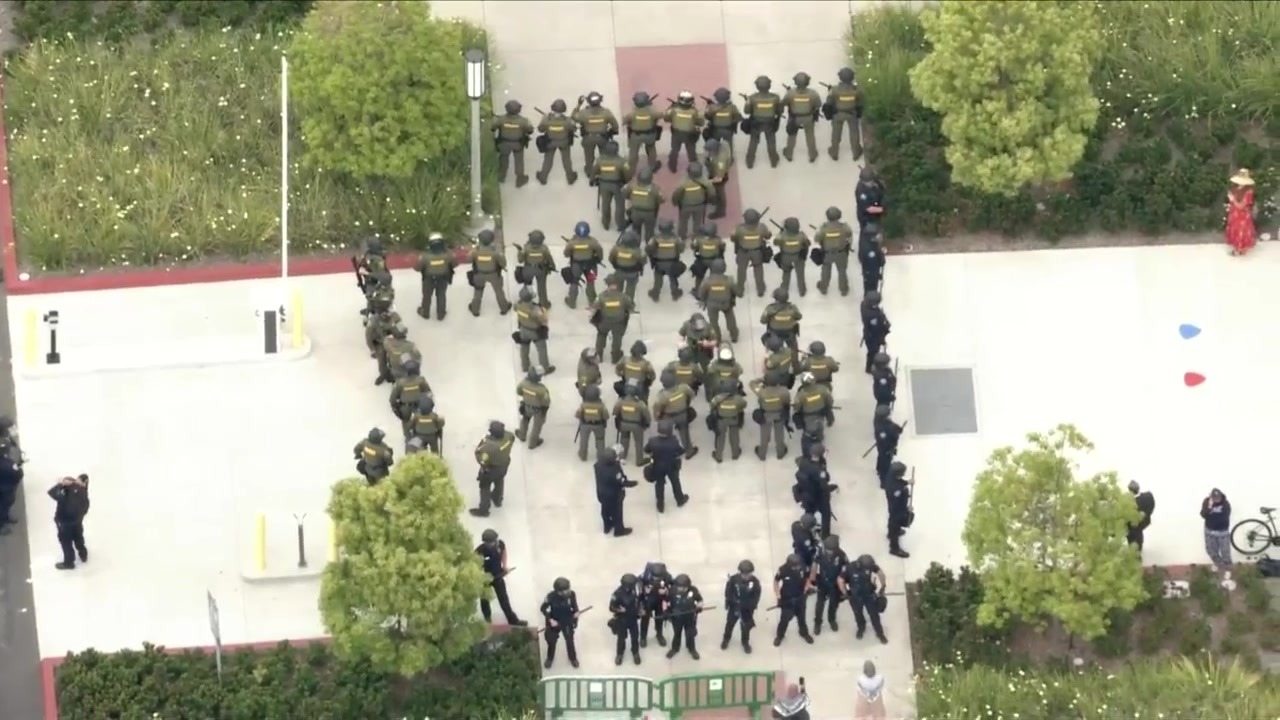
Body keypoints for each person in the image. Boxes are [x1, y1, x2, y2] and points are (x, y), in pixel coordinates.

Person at [476, 529, 528, 626]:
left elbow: (504, 552)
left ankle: (513, 620)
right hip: (484, 579)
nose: (491, 544)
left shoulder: (500, 544)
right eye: (488, 542)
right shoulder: (480, 551)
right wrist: (480, 577)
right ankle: (487, 622)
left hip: (498, 576)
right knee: (485, 601)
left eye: (493, 541)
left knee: (504, 599)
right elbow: (474, 567)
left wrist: (504, 566)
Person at [839, 554, 888, 644]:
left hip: (867, 594)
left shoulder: (868, 564)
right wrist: (845, 593)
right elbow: (840, 580)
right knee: (860, 614)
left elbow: (881, 574)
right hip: (856, 596)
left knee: (873, 615)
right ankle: (862, 628)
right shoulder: (849, 567)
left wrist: (883, 587)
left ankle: (879, 633)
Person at [470, 421, 515, 517]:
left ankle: (484, 510)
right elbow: (511, 437)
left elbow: (481, 458)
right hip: (504, 465)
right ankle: (497, 499)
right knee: (499, 480)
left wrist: (483, 442)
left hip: (491, 469)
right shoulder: (508, 437)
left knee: (484, 487)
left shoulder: (489, 446)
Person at [643, 420, 690, 512]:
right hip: (672, 466)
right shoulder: (674, 441)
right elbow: (681, 451)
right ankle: (680, 500)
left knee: (659, 484)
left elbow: (646, 450)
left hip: (657, 466)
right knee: (675, 482)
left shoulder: (652, 441)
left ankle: (660, 505)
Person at [652, 371, 699, 458]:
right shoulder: (683, 388)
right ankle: (689, 451)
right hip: (682, 414)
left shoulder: (662, 395)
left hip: (668, 417)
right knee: (684, 433)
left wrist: (657, 418)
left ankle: (670, 451)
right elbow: (692, 395)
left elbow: (657, 407)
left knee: (666, 434)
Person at [590, 273, 635, 364]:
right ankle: (615, 357)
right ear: (617, 284)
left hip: (604, 321)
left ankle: (599, 355)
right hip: (618, 322)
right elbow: (631, 307)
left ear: (607, 284)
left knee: (601, 335)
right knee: (617, 339)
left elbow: (594, 307)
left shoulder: (601, 296)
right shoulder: (623, 297)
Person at [573, 91, 620, 178]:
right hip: (602, 138)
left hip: (588, 138)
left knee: (589, 157)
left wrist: (578, 105)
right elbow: (615, 126)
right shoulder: (606, 112)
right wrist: (612, 131)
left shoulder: (584, 113)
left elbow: (573, 117)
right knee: (604, 156)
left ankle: (589, 172)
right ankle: (603, 171)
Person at [795, 442, 837, 536]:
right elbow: (823, 484)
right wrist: (828, 491)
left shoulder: (804, 462)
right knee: (826, 515)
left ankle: (807, 531)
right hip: (819, 496)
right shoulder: (819, 470)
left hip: (807, 494)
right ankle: (825, 535)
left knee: (809, 513)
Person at [540, 577, 582, 669]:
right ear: (558, 591)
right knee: (551, 641)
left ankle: (573, 658)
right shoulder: (550, 597)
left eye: (568, 589)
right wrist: (550, 619)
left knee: (570, 640)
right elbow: (543, 609)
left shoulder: (572, 594)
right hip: (554, 621)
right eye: (564, 591)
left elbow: (575, 606)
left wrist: (576, 613)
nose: (567, 592)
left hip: (567, 621)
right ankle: (550, 658)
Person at [535, 98, 579, 186]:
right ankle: (570, 178)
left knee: (548, 160)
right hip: (564, 142)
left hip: (550, 142)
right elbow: (574, 129)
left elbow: (540, 129)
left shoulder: (546, 119)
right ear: (564, 110)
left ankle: (543, 177)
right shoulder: (567, 121)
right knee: (566, 160)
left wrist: (546, 121)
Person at [50, 474, 90, 570]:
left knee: (66, 542)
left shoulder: (67, 492)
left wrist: (61, 484)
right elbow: (85, 510)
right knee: (78, 537)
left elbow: (53, 493)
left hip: (65, 522)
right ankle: (83, 554)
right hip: (77, 521)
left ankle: (69, 562)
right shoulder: (84, 494)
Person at [810, 535, 848, 634]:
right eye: (826, 549)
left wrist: (843, 588)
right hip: (822, 582)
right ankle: (817, 623)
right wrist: (813, 579)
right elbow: (814, 564)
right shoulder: (820, 551)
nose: (827, 551)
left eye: (830, 550)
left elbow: (845, 572)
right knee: (819, 605)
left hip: (835, 585)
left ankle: (832, 620)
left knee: (833, 604)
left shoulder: (842, 556)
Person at [773, 553, 814, 646]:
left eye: (798, 565)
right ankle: (780, 636)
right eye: (795, 566)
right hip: (787, 599)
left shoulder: (803, 567)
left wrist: (807, 587)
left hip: (800, 598)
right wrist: (778, 595)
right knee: (784, 620)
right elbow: (776, 581)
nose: (797, 568)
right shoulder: (783, 570)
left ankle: (804, 633)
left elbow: (808, 577)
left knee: (802, 618)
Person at [749, 372, 792, 460]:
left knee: (764, 435)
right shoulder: (784, 391)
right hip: (779, 414)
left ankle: (762, 454)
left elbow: (751, 384)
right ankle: (780, 453)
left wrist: (761, 379)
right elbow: (787, 402)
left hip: (766, 415)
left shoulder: (761, 391)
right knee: (779, 435)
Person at [595, 446, 636, 537]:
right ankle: (619, 531)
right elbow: (622, 482)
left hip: (601, 493)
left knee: (605, 510)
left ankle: (607, 526)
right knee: (617, 513)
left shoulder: (597, 465)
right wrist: (632, 484)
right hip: (614, 495)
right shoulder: (614, 470)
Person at [468, 229, 511, 317]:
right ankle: (504, 308)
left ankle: (475, 310)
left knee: (478, 292)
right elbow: (503, 263)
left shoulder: (475, 252)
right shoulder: (496, 252)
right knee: (499, 291)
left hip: (479, 274)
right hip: (494, 275)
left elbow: (469, 259)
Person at [743, 75, 783, 169]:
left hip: (756, 123)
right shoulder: (775, 97)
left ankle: (750, 161)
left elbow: (747, 111)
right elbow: (780, 111)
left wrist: (748, 102)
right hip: (770, 123)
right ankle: (773, 161)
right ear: (769, 85)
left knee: (753, 142)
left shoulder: (752, 98)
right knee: (771, 142)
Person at [696, 259, 740, 343]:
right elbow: (737, 292)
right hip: (726, 304)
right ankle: (734, 335)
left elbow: (701, 293)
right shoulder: (729, 280)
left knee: (713, 322)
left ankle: (717, 338)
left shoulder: (707, 281)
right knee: (731, 320)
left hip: (712, 304)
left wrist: (703, 300)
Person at [781, 72, 821, 164]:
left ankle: (789, 154)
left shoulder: (790, 93)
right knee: (810, 136)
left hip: (795, 118)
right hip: (808, 117)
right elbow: (818, 105)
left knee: (792, 136)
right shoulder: (813, 93)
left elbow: (783, 103)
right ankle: (812, 155)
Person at [731, 208, 772, 297]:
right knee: (758, 271)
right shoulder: (761, 227)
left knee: (741, 271)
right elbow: (767, 236)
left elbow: (733, 238)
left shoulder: (740, 228)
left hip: (743, 252)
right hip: (757, 252)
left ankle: (740, 290)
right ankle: (760, 290)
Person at [592, 139, 631, 231]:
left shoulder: (599, 160)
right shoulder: (622, 161)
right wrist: (625, 181)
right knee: (620, 205)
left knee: (605, 204)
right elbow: (628, 174)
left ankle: (605, 223)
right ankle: (620, 224)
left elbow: (594, 171)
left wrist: (592, 180)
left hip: (604, 185)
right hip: (617, 185)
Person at [722, 560, 761, 653]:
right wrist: (734, 601)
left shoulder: (755, 582)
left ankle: (745, 643)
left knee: (746, 627)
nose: (746, 576)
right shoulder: (733, 580)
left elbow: (756, 596)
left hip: (747, 609)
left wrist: (749, 604)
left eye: (748, 574)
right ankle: (726, 639)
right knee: (730, 624)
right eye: (744, 574)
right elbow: (728, 592)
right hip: (734, 607)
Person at [414, 232, 455, 320]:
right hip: (443, 278)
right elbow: (455, 263)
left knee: (427, 296)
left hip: (428, 279)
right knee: (441, 295)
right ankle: (441, 314)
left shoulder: (425, 255)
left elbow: (417, 268)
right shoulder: (448, 254)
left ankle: (425, 313)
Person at [513, 287, 555, 374]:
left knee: (524, 347)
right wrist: (544, 310)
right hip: (535, 332)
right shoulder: (535, 309)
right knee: (542, 349)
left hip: (523, 330)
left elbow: (515, 308)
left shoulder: (518, 305)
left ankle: (525, 366)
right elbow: (544, 319)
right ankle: (545, 367)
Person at [563, 221, 605, 308]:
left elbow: (566, 254)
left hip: (576, 265)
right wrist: (599, 259)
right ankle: (592, 302)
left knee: (574, 282)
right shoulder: (593, 242)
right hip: (590, 265)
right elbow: (600, 251)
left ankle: (572, 302)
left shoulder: (572, 243)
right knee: (590, 282)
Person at [826, 67, 864, 161]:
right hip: (852, 114)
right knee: (854, 133)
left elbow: (829, 102)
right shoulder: (857, 90)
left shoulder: (834, 90)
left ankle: (834, 152)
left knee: (836, 134)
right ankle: (856, 152)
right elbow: (860, 103)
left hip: (838, 114)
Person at [815, 206, 854, 296]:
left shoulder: (823, 228)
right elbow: (849, 235)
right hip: (841, 253)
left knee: (825, 270)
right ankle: (843, 289)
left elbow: (817, 239)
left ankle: (824, 288)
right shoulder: (844, 227)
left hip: (827, 254)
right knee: (842, 271)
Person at [494, 99, 533, 187]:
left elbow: (493, 128)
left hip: (503, 144)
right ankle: (520, 179)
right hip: (518, 144)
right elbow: (530, 131)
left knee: (503, 160)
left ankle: (501, 177)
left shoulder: (501, 119)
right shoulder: (523, 121)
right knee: (519, 161)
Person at [665, 573, 705, 659]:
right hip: (677, 618)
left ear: (686, 586)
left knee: (690, 635)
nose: (678, 588)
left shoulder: (693, 591)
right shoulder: (672, 590)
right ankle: (675, 648)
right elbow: (665, 601)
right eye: (678, 586)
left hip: (689, 617)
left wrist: (699, 607)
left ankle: (691, 649)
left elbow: (700, 600)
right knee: (677, 634)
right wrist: (666, 611)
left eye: (680, 586)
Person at [646, 219, 686, 300]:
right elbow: (681, 249)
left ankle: (655, 293)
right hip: (672, 263)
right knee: (672, 277)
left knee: (658, 277)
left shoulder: (655, 238)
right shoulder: (676, 238)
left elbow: (648, 249)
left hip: (659, 263)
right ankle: (675, 292)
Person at [672, 162, 715, 239]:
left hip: (685, 206)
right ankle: (696, 237)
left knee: (683, 222)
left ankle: (682, 236)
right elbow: (712, 193)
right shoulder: (705, 182)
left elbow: (676, 194)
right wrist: (708, 200)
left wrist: (675, 202)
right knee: (698, 223)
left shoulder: (683, 183)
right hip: (700, 205)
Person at [613, 383, 652, 465]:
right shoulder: (640, 403)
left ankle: (622, 457)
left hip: (624, 424)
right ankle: (639, 460)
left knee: (624, 439)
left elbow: (615, 412)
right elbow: (647, 415)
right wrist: (648, 423)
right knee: (638, 442)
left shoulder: (620, 401)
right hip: (636, 425)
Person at [664, 91, 704, 171]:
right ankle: (694, 169)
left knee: (674, 151)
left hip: (676, 134)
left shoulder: (674, 110)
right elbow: (700, 123)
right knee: (691, 152)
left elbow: (666, 118)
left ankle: (672, 167)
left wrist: (671, 108)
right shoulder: (694, 111)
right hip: (690, 135)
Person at [609, 573, 643, 665]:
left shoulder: (636, 590)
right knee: (621, 638)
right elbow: (611, 607)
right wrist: (619, 610)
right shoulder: (617, 594)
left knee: (635, 637)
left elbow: (640, 601)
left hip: (633, 619)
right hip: (622, 620)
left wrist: (640, 610)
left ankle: (635, 652)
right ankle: (619, 654)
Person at [708, 383, 748, 463]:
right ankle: (735, 454)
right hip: (734, 419)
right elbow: (744, 405)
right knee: (734, 436)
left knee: (720, 437)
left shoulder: (717, 398)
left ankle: (718, 456)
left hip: (721, 420)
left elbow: (711, 406)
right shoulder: (738, 398)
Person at [389, 360, 430, 435]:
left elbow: (392, 399)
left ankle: (408, 439)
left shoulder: (400, 383)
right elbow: (428, 393)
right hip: (419, 407)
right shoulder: (421, 380)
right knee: (420, 422)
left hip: (405, 408)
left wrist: (396, 408)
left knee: (406, 424)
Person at [623, 91, 661, 174]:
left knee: (633, 153)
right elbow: (661, 115)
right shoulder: (652, 112)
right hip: (649, 135)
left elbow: (624, 122)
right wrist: (650, 106)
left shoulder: (631, 114)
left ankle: (631, 170)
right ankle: (652, 166)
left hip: (635, 136)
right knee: (651, 150)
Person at [517, 230, 556, 308]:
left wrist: (519, 252)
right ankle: (544, 303)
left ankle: (525, 300)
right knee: (542, 287)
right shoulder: (544, 248)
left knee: (527, 285)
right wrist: (553, 266)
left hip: (528, 269)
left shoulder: (526, 248)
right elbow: (549, 258)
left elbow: (520, 260)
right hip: (540, 270)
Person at [622, 167, 664, 242]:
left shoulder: (632, 186)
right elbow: (661, 200)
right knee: (649, 231)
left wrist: (633, 198)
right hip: (649, 213)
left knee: (635, 230)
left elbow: (625, 193)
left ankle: (636, 244)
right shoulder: (654, 188)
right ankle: (649, 246)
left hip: (635, 212)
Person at [639, 561, 674, 647]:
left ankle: (659, 635)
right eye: (654, 578)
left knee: (659, 619)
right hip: (648, 600)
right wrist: (644, 590)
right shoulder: (646, 575)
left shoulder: (667, 576)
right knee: (645, 620)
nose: (656, 580)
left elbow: (674, 587)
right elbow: (638, 583)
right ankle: (643, 637)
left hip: (660, 601)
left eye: (658, 578)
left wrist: (666, 591)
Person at [773, 218, 811, 297]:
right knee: (800, 274)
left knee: (786, 273)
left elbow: (775, 243)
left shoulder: (782, 236)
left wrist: (781, 232)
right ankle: (802, 290)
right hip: (798, 256)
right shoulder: (801, 235)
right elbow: (807, 243)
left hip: (786, 256)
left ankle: (784, 288)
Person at [515, 367, 551, 449]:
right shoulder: (542, 389)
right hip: (538, 410)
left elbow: (519, 391)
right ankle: (533, 443)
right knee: (537, 426)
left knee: (525, 420)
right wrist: (544, 411)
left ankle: (522, 435)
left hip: (526, 406)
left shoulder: (523, 383)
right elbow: (546, 402)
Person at [761, 288, 802, 357]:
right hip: (790, 333)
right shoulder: (793, 308)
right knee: (794, 350)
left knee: (773, 349)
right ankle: (795, 362)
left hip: (774, 333)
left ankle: (773, 360)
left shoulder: (770, 309)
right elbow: (799, 317)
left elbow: (763, 321)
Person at [1225, 168, 1257, 256]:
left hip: (1242, 214)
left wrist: (1232, 199)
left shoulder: (1248, 192)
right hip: (1234, 213)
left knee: (1241, 231)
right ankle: (1238, 248)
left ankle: (1241, 249)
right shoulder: (1235, 188)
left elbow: (1241, 206)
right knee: (1234, 229)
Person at [884, 462, 912, 558]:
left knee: (891, 521)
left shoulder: (890, 476)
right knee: (894, 525)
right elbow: (898, 503)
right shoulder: (896, 489)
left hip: (893, 508)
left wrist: (907, 482)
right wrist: (906, 508)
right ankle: (894, 548)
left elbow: (899, 481)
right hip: (897, 510)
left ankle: (890, 534)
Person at [608, 232, 646, 303]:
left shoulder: (616, 249)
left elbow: (611, 258)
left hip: (619, 271)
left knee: (618, 287)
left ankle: (617, 300)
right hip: (632, 273)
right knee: (630, 288)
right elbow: (643, 261)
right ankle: (628, 303)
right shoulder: (637, 252)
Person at [575, 385, 610, 462]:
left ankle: (583, 455)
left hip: (585, 424)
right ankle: (600, 457)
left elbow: (577, 415)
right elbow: (606, 416)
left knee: (584, 440)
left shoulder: (583, 405)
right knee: (600, 441)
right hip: (598, 425)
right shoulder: (601, 406)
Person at [1201, 488, 1232, 570]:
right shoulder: (1206, 502)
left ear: (1221, 496)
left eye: (1218, 498)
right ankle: (1220, 565)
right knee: (1211, 551)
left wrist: (1211, 518)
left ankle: (1228, 568)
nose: (1217, 500)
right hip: (1209, 531)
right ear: (1211, 497)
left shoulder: (1226, 504)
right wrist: (1209, 507)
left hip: (1222, 532)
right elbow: (1203, 514)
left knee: (1225, 552)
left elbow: (1224, 519)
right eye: (1215, 498)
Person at [704, 138, 734, 220]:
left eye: (709, 151)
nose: (706, 152)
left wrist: (707, 182)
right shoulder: (723, 144)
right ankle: (714, 199)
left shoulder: (720, 161)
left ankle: (721, 211)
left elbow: (719, 178)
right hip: (715, 170)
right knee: (715, 189)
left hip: (720, 175)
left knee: (720, 192)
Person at [861, 291, 891, 372]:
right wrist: (885, 325)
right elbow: (877, 329)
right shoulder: (873, 316)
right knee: (873, 353)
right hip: (873, 337)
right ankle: (870, 368)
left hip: (869, 334)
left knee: (872, 352)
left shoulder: (863, 305)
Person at [689, 221, 726, 287]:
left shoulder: (699, 240)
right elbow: (722, 248)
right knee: (715, 276)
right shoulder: (718, 240)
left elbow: (693, 247)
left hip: (702, 260)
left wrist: (693, 240)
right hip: (714, 261)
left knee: (699, 276)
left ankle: (697, 289)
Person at [873, 404, 903, 482]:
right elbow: (893, 435)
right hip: (887, 448)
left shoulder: (878, 421)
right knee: (886, 464)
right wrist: (897, 431)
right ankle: (883, 480)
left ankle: (878, 468)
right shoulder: (886, 428)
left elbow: (891, 424)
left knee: (881, 457)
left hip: (881, 446)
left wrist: (898, 429)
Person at [1127, 480, 1156, 553]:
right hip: (1141, 524)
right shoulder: (1148, 496)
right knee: (1137, 536)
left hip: (1134, 527)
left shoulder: (1130, 502)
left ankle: (1135, 554)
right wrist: (1147, 514)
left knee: (1134, 537)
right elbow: (1151, 506)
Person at [858, 222, 886, 295]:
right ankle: (871, 298)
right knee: (871, 288)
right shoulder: (870, 250)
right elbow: (878, 262)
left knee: (869, 286)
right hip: (871, 273)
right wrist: (882, 257)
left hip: (870, 272)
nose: (880, 236)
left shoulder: (870, 244)